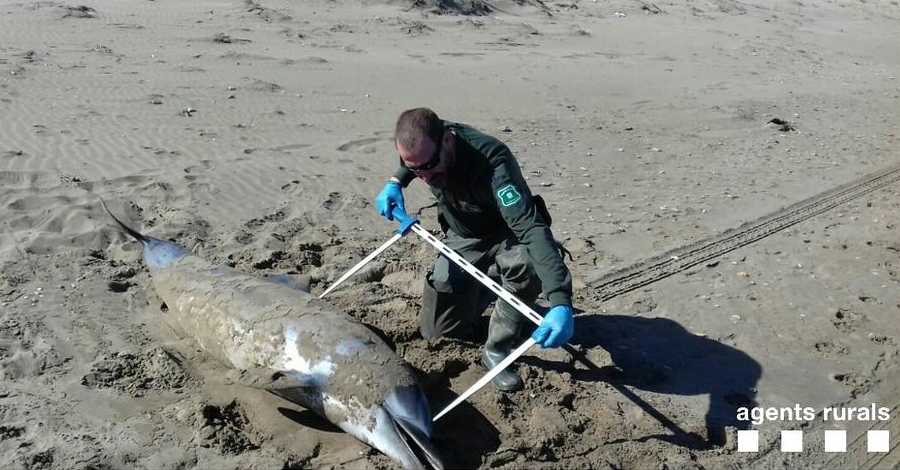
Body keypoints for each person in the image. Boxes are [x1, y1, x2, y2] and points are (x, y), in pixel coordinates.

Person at [375, 107, 574, 392]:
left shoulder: (493, 162)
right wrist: (396, 181)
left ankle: (498, 347)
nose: (425, 178)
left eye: (428, 166)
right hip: (465, 233)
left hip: (508, 231)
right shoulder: (423, 149)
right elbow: (416, 160)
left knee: (526, 265)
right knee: (438, 331)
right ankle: (494, 286)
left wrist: (561, 301)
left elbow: (530, 228)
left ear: (446, 141)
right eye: (414, 168)